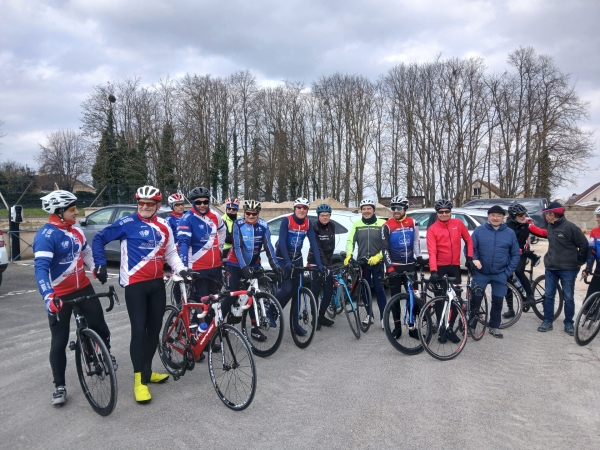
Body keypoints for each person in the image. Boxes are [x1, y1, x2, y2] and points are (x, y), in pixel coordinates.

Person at [92, 185, 190, 403]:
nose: (144, 207)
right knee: (139, 331)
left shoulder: (164, 225)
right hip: (135, 285)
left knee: (154, 331)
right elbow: (99, 239)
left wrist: (180, 268)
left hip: (156, 284)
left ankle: (147, 371)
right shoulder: (127, 223)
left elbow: (171, 253)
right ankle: (139, 381)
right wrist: (100, 264)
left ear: (157, 205)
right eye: (141, 203)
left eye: (149, 204)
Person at [34, 190, 114, 407]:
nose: (76, 212)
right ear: (59, 212)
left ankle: (104, 354)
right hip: (59, 295)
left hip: (83, 288)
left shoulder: (76, 230)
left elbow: (86, 253)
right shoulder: (46, 236)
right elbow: (41, 269)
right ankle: (59, 385)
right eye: (72, 209)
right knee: (59, 342)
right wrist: (48, 296)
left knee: (101, 327)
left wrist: (95, 268)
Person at [223, 199, 283, 341]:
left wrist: (276, 266)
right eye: (248, 213)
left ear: (258, 214)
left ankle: (255, 329)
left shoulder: (263, 225)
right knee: (231, 295)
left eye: (254, 214)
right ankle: (219, 324)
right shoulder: (238, 224)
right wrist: (243, 266)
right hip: (235, 263)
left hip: (254, 264)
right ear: (244, 213)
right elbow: (237, 247)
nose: (250, 216)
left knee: (253, 295)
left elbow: (269, 248)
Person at [275, 197, 325, 336]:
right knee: (287, 288)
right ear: (295, 209)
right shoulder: (287, 220)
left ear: (307, 210)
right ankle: (271, 308)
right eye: (299, 207)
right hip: (282, 257)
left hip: (297, 258)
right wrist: (286, 261)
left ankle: (295, 324)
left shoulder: (308, 223)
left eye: (304, 208)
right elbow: (283, 242)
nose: (301, 210)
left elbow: (314, 244)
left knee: (297, 291)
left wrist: (319, 264)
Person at [426, 199, 474, 343]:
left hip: (455, 268)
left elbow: (469, 240)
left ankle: (450, 328)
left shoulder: (458, 224)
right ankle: (442, 330)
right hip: (440, 268)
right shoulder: (432, 229)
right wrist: (433, 271)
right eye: (441, 212)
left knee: (456, 300)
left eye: (447, 211)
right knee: (440, 300)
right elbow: (432, 252)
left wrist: (470, 257)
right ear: (437, 213)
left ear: (451, 212)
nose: (444, 214)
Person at [538, 202, 588, 335]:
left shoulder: (571, 228)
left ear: (553, 214)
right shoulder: (550, 226)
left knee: (568, 297)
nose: (546, 217)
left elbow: (584, 245)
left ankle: (569, 323)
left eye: (547, 214)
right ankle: (547, 321)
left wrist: (578, 262)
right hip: (551, 268)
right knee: (548, 295)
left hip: (568, 269)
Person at [471, 205, 521, 338]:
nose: (495, 218)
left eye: (499, 216)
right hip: (481, 273)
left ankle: (494, 326)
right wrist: (474, 259)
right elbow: (471, 248)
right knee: (475, 300)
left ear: (503, 217)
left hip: (500, 273)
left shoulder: (509, 233)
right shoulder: (479, 231)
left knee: (498, 301)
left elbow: (516, 254)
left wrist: (508, 272)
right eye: (493, 215)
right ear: (488, 216)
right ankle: (471, 324)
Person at [381, 195, 424, 339]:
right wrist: (390, 268)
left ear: (405, 208)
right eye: (393, 208)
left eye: (398, 208)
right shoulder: (387, 225)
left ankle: (412, 327)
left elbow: (416, 241)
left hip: (410, 266)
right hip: (395, 267)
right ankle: (397, 327)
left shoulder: (413, 222)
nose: (395, 210)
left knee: (414, 298)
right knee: (395, 298)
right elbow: (384, 249)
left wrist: (419, 258)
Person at [177, 187, 226, 302]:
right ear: (193, 203)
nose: (202, 205)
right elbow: (183, 243)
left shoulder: (215, 215)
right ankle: (197, 321)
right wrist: (183, 266)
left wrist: (221, 247)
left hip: (216, 267)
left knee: (216, 302)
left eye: (205, 202)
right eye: (198, 202)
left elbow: (223, 230)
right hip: (198, 267)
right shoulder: (186, 219)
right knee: (203, 304)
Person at [345, 198, 387, 329]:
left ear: (374, 210)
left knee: (380, 290)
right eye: (364, 209)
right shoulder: (357, 224)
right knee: (364, 290)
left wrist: (379, 255)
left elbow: (386, 243)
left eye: (369, 208)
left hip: (377, 262)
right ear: (361, 211)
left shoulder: (382, 223)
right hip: (363, 262)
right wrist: (348, 254)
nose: (366, 211)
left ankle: (383, 317)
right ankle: (370, 315)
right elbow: (350, 241)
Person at [503, 203, 547, 318]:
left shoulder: (528, 226)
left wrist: (556, 233)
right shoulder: (506, 227)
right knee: (506, 280)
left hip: (522, 254)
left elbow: (543, 233)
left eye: (524, 214)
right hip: (508, 255)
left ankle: (530, 296)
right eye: (521, 214)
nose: (524, 216)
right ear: (513, 215)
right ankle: (511, 309)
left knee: (518, 271)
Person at [308, 203, 336, 329]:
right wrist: (323, 263)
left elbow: (331, 245)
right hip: (315, 261)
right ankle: (314, 319)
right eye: (322, 215)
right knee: (315, 290)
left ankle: (321, 315)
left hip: (327, 262)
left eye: (327, 215)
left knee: (329, 291)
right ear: (318, 216)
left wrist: (329, 263)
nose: (325, 217)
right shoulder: (314, 227)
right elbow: (317, 247)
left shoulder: (332, 226)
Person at [582, 206, 600, 301]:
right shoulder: (594, 232)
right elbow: (592, 251)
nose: (597, 219)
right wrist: (588, 267)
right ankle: (588, 312)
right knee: (590, 297)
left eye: (599, 216)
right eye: (597, 216)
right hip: (599, 267)